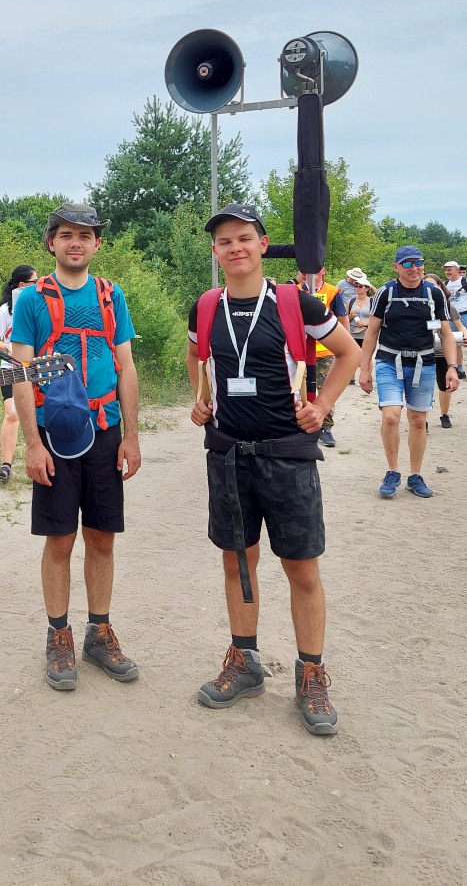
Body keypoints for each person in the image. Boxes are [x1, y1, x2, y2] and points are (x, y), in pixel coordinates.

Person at [187, 203, 360, 736]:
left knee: (302, 570)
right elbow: (196, 356)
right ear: (215, 252)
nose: (234, 248)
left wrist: (322, 405)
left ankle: (311, 673)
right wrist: (202, 397)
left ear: (262, 245)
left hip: (287, 455)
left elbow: (349, 353)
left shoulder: (294, 301)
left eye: (244, 238)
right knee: (238, 563)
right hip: (228, 455)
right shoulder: (206, 306)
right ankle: (245, 663)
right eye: (224, 241)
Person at [10, 202, 141, 692]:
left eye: (85, 236)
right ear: (51, 242)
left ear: (97, 244)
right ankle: (58, 634)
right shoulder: (31, 301)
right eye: (66, 235)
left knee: (103, 537)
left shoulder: (111, 295)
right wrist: (31, 443)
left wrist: (131, 435)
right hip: (56, 434)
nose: (76, 243)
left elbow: (126, 366)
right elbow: (20, 374)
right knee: (61, 539)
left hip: (105, 430)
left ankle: (99, 632)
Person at [359, 245, 460, 498]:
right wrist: (364, 369)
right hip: (389, 361)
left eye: (418, 262)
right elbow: (371, 333)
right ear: (396, 267)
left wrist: (452, 367)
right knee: (391, 417)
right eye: (407, 263)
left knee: (417, 420)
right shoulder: (385, 292)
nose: (414, 268)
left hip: (423, 363)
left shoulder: (434, 293)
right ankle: (392, 471)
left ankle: (415, 475)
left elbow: (446, 333)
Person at [0, 264, 38, 481]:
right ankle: (6, 465)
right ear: (22, 285)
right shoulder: (5, 311)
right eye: (33, 282)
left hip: (36, 367)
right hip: (10, 369)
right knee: (12, 413)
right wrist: (11, 350)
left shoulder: (37, 305)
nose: (37, 285)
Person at [296, 267, 349, 448]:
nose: (308, 273)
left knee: (325, 389)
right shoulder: (295, 290)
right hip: (301, 351)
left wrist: (345, 344)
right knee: (299, 390)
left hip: (326, 350)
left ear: (323, 271)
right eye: (304, 270)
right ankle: (301, 424)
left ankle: (326, 427)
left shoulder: (333, 292)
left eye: (314, 269)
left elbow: (342, 319)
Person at [425, 274, 463, 429]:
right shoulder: (418, 304)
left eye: (433, 285)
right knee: (423, 386)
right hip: (423, 350)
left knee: (444, 385)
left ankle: (444, 415)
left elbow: (460, 326)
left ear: (440, 286)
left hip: (442, 351)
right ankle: (423, 418)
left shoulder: (447, 305)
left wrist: (464, 335)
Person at [442, 260, 467, 377]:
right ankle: (459, 368)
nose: (447, 272)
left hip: (465, 314)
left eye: (450, 270)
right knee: (455, 342)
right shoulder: (445, 284)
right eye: (446, 270)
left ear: (457, 270)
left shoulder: (464, 282)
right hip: (452, 317)